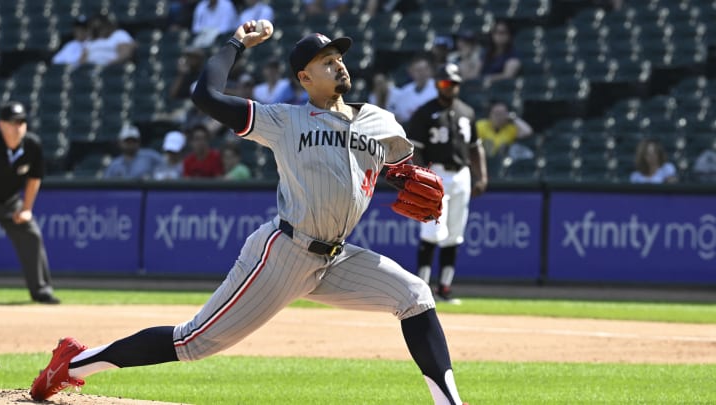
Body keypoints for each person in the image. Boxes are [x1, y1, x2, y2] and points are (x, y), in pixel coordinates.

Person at [30, 22, 468, 405]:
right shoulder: (285, 119)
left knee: (415, 296)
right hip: (284, 254)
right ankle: (75, 361)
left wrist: (403, 177)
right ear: (304, 77)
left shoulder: (381, 122)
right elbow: (206, 95)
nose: (338, 64)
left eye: (338, 57)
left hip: (336, 258)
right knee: (192, 342)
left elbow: (395, 169)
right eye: (325, 60)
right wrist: (236, 44)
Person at [407, 64, 488, 304]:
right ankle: (422, 288)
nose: (449, 87)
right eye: (444, 83)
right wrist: (423, 176)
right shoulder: (425, 112)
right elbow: (416, 150)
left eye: (452, 83)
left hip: (461, 174)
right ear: (436, 85)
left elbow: (476, 148)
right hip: (436, 173)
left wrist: (481, 176)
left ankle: (445, 288)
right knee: (431, 232)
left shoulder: (467, 112)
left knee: (454, 234)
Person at [0, 101, 59, 304]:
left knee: (31, 235)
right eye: (13, 122)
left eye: (22, 122)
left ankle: (41, 291)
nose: (18, 127)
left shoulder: (32, 145)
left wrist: (26, 209)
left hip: (10, 201)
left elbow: (34, 178)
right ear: (1, 125)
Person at [392, 53, 438, 124]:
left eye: (424, 69)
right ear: (411, 72)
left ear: (430, 71)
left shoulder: (438, 88)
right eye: (418, 70)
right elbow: (398, 116)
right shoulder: (404, 91)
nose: (421, 73)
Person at [478, 20, 521, 87]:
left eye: (502, 33)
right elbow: (475, 73)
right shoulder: (486, 53)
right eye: (496, 32)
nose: (499, 36)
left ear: (509, 35)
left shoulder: (513, 54)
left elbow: (508, 76)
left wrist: (489, 79)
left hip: (503, 89)